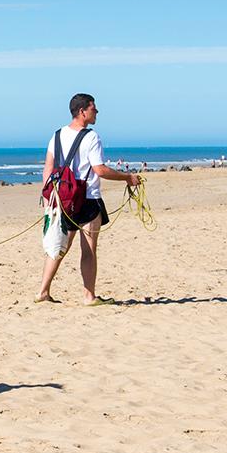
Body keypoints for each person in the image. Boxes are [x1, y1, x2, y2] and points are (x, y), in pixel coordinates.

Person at [34, 93, 143, 305]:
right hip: (87, 198)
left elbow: (48, 168)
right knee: (88, 248)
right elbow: (99, 169)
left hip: (62, 199)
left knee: (59, 246)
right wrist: (127, 177)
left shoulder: (56, 135)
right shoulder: (91, 137)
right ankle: (89, 296)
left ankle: (43, 291)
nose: (97, 111)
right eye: (94, 108)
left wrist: (49, 197)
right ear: (82, 111)